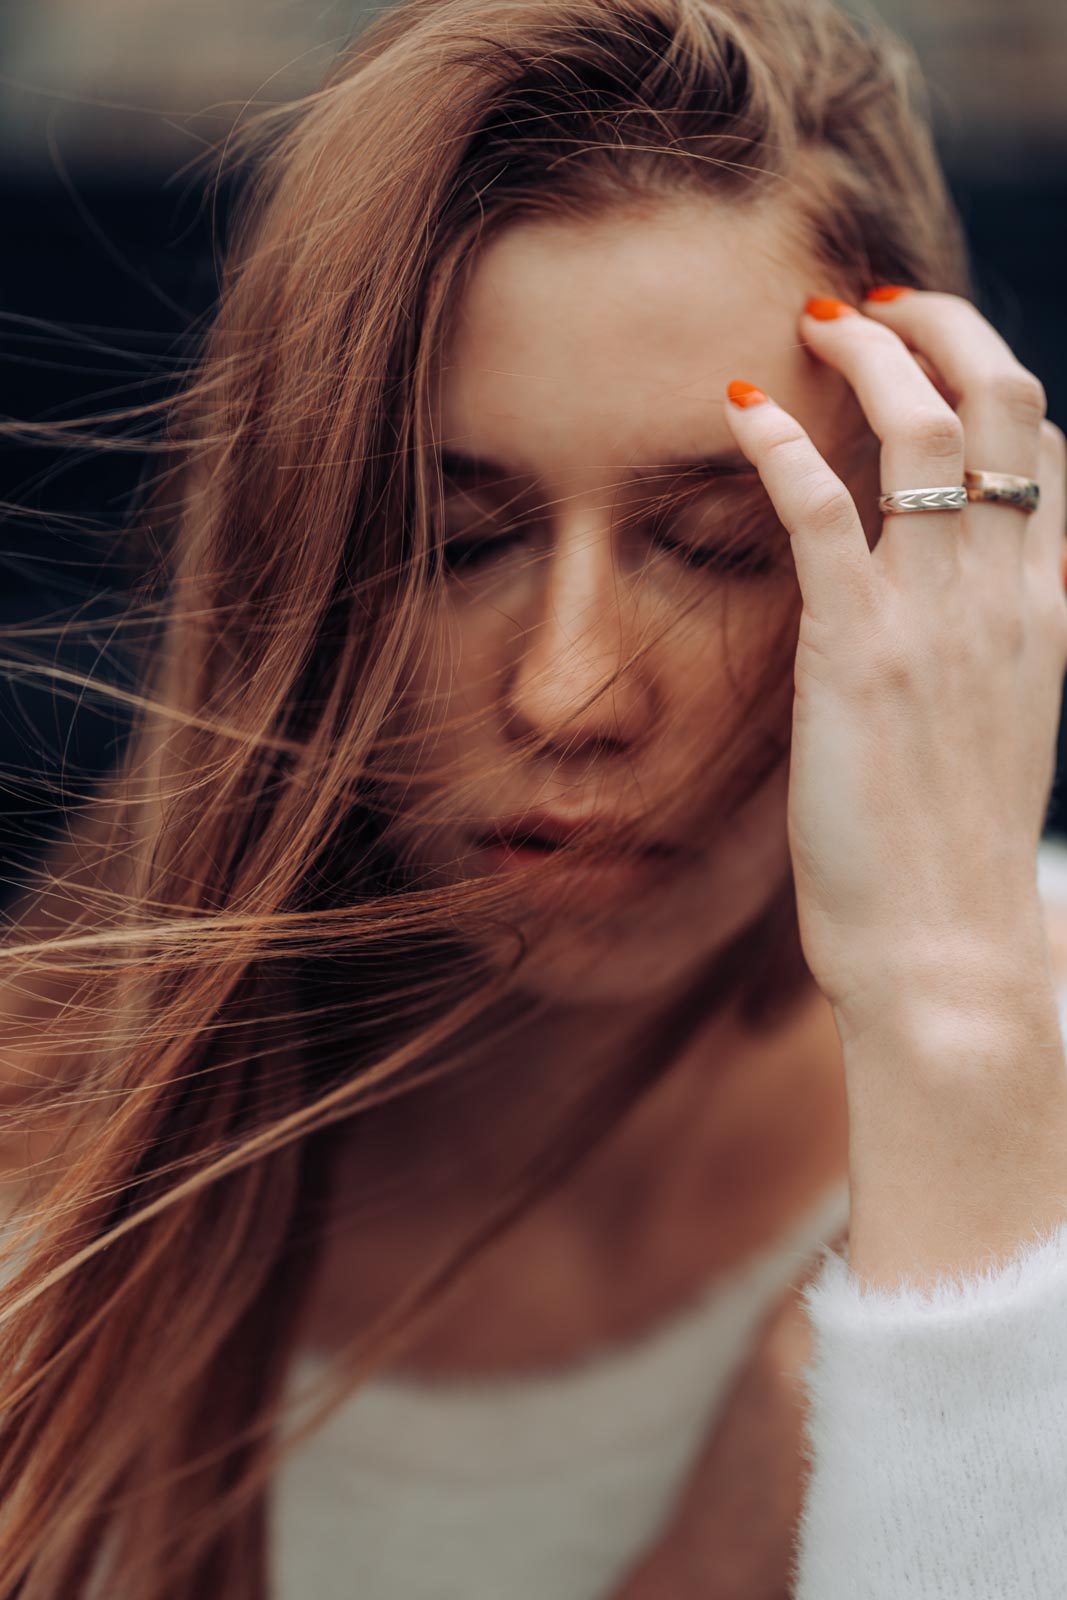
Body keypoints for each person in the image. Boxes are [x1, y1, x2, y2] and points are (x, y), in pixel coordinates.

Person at [1, 0, 1066, 1595]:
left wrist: (957, 1045)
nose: (571, 693)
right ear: (292, 562)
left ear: (929, 552)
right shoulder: (40, 1211)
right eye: (461, 543)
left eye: (718, 544)